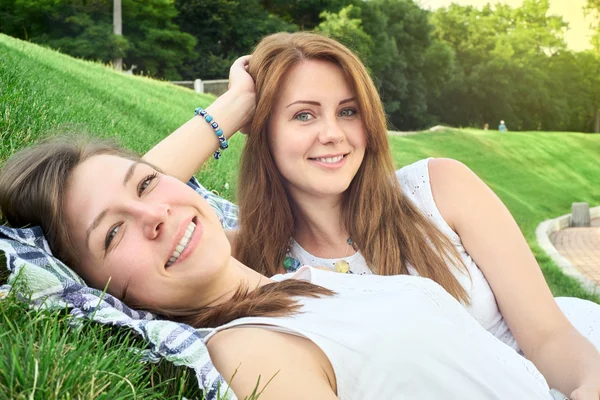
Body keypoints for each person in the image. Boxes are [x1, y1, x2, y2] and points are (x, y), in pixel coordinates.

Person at [143, 32, 600, 399]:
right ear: (262, 132)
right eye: (304, 116)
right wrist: (233, 105)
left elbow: (547, 335)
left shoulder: (440, 189)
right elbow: (130, 201)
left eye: (348, 111)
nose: (332, 134)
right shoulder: (251, 256)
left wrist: (588, 386)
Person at [0, 135, 563, 399]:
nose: (156, 215)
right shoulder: (247, 351)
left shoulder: (285, 278)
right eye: (113, 232)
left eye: (147, 182)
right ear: (95, 288)